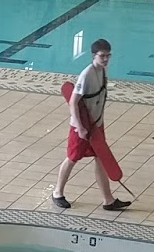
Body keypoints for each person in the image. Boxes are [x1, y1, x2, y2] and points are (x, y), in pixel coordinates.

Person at [50, 39, 131, 214]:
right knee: (72, 158)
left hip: (96, 125)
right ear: (94, 56)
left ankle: (108, 199)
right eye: (102, 56)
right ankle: (57, 193)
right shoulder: (86, 75)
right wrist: (79, 127)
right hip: (81, 126)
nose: (106, 59)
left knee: (101, 158)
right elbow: (73, 102)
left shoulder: (103, 71)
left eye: (108, 56)